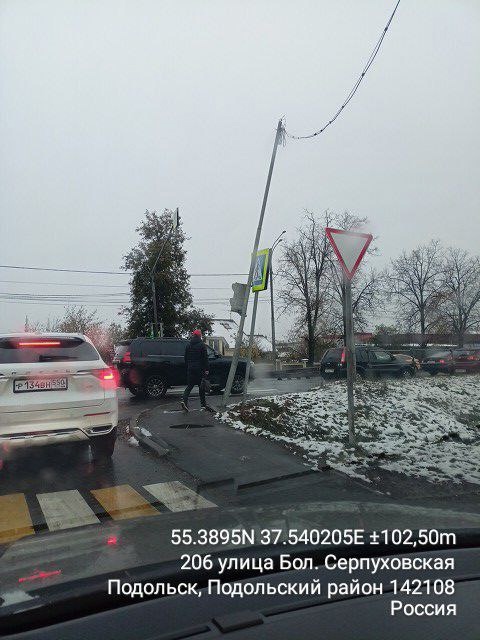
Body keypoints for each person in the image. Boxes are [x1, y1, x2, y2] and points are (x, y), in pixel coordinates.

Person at [181, 329, 214, 412]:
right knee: (201, 386)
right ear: (200, 336)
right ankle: (203, 404)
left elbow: (185, 358)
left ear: (193, 335)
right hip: (199, 369)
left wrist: (188, 366)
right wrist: (207, 369)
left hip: (190, 369)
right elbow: (205, 359)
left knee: (189, 386)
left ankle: (184, 401)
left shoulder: (188, 345)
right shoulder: (202, 345)